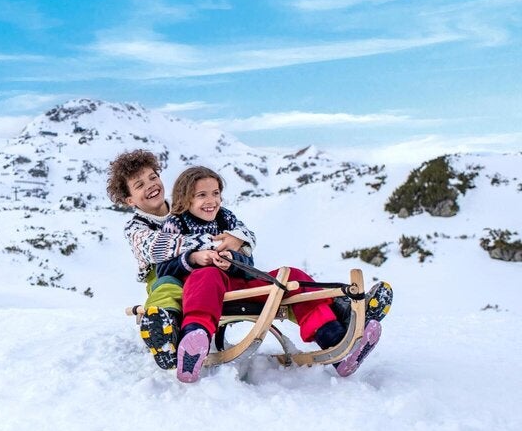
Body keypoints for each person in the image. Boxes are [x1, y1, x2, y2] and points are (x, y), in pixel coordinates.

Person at [161, 165, 384, 382]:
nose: (211, 201)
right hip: (204, 289)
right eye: (202, 195)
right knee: (207, 275)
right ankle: (194, 342)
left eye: (216, 193)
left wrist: (233, 260)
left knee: (293, 276)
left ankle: (336, 342)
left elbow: (248, 259)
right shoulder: (176, 224)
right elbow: (163, 267)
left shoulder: (227, 219)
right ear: (185, 198)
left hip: (239, 282)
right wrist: (194, 259)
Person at [106, 150, 254, 369]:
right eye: (139, 185)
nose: (150, 185)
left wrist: (238, 239)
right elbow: (159, 247)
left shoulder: (185, 204)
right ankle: (163, 330)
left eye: (153, 177)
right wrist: (217, 243)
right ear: (130, 200)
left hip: (204, 271)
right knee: (168, 290)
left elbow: (240, 229)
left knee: (210, 281)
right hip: (165, 274)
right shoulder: (136, 228)